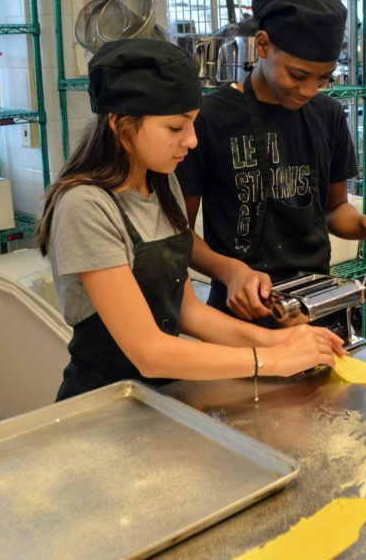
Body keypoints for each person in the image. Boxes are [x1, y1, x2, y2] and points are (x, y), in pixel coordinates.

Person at [36, 39, 345, 400]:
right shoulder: (85, 206)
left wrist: (280, 338)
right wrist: (272, 359)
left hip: (159, 395)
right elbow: (150, 353)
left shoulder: (162, 184)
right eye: (175, 128)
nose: (192, 141)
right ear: (121, 125)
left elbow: (187, 312)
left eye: (194, 125)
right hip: (104, 403)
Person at [177, 0, 366, 326]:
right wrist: (230, 271)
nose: (308, 90)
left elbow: (335, 211)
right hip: (239, 312)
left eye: (323, 78)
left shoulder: (328, 114)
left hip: (316, 305)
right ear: (262, 45)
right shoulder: (209, 119)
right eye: (298, 74)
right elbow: (179, 232)